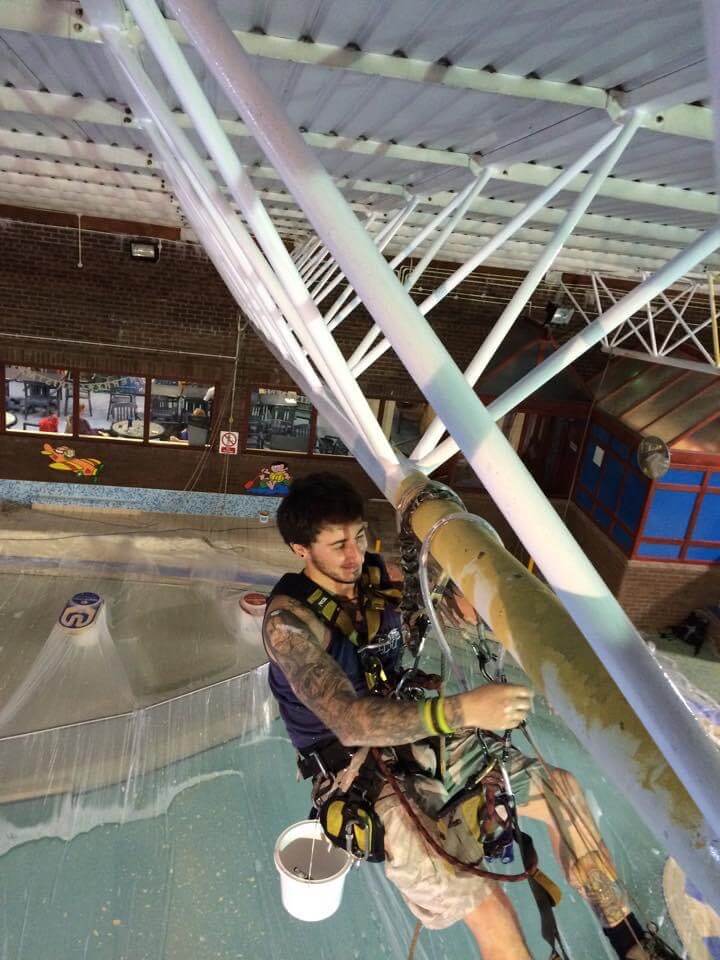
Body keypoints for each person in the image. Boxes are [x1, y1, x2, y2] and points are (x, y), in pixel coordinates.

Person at [263, 473, 650, 960]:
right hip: (357, 769)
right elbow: (349, 721)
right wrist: (466, 709)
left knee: (561, 793)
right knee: (489, 908)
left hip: (418, 735)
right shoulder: (289, 624)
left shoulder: (371, 580)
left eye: (359, 536)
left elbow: (440, 597)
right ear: (301, 550)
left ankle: (628, 937)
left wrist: (474, 587)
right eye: (337, 544)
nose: (353, 554)